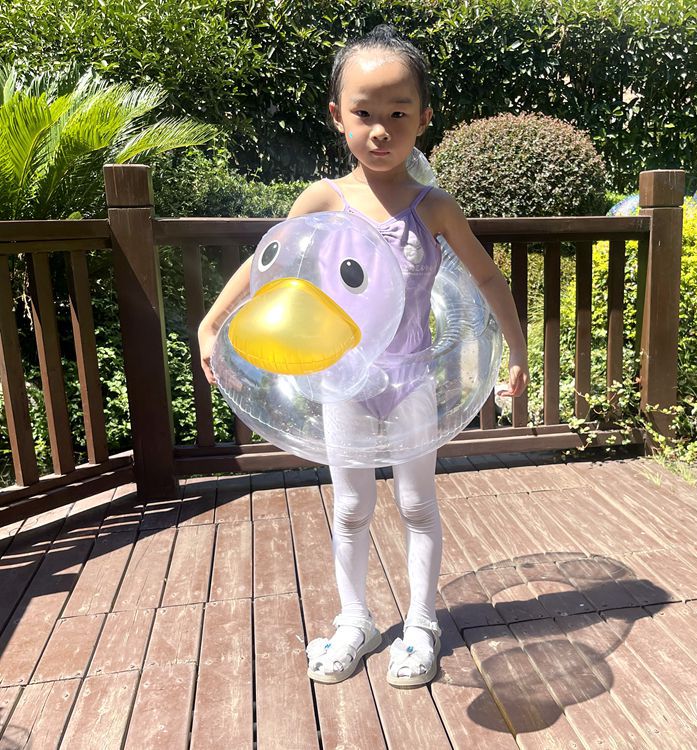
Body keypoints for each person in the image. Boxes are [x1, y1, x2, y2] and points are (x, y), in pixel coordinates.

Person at [198, 24, 529, 688]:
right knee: (350, 506)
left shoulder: (433, 207)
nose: (381, 129)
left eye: (398, 113)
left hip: (409, 379)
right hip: (344, 379)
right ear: (338, 116)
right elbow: (267, 269)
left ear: (424, 118)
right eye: (365, 113)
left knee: (416, 504)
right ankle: (355, 620)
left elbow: (488, 277)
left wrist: (517, 350)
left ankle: (421, 625)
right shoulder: (323, 199)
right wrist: (212, 323)